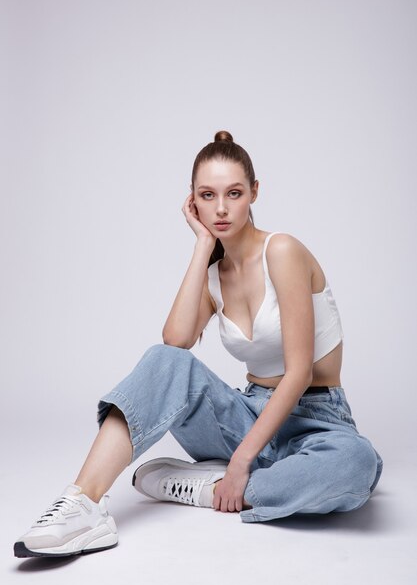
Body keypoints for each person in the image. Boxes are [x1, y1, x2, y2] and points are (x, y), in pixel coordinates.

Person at [14, 130, 383, 558]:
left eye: (234, 193)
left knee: (356, 464)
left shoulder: (282, 251)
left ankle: (213, 486)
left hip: (317, 420)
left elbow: (299, 373)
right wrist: (204, 245)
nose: (221, 208)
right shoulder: (213, 274)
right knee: (163, 360)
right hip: (249, 414)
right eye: (208, 196)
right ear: (192, 201)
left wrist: (241, 463)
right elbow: (175, 342)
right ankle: (82, 504)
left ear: (255, 193)